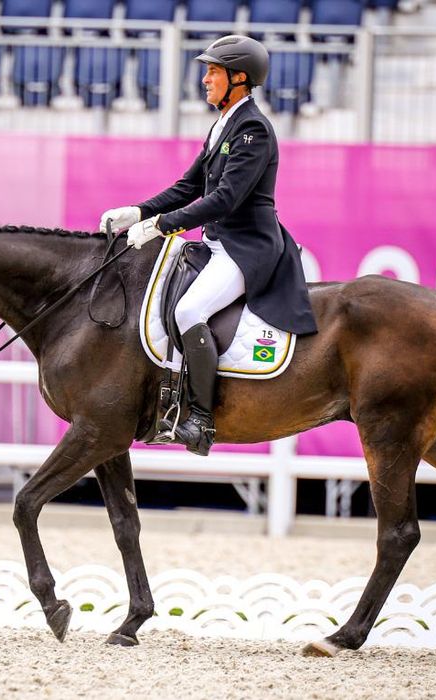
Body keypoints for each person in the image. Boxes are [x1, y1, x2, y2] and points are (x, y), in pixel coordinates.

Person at [98, 35, 317, 457]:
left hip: (247, 248)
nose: (205, 79)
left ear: (239, 78)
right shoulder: (223, 124)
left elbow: (224, 200)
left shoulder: (253, 128)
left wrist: (163, 225)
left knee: (188, 310)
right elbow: (189, 186)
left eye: (213, 71)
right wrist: (139, 212)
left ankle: (199, 418)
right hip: (218, 242)